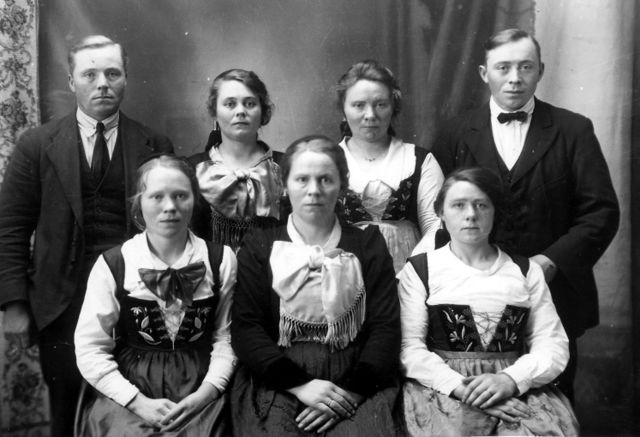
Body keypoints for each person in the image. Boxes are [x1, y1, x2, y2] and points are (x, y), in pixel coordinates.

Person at [431, 28, 620, 401]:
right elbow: (439, 213)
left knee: (552, 400)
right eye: (503, 68)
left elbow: (601, 212)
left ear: (541, 71)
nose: (515, 78)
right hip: (474, 297)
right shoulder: (455, 132)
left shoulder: (573, 130)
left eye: (525, 67)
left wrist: (551, 262)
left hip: (554, 293)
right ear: (484, 73)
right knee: (473, 402)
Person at [0, 35, 173, 436]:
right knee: (65, 409)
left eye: (112, 73)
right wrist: (16, 306)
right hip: (62, 303)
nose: (102, 84)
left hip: (134, 299)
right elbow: (10, 228)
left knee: (130, 410)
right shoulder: (37, 145)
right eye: (89, 74)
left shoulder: (154, 144)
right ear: (71, 81)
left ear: (126, 78)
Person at [230, 135, 401, 435]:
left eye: (325, 180)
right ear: (284, 185)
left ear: (342, 186)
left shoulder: (368, 245)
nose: (314, 190)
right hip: (279, 378)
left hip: (354, 378)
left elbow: (385, 327)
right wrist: (301, 386)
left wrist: (351, 393)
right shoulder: (259, 245)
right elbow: (246, 328)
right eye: (302, 179)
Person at [398, 167, 579, 436]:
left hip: (515, 390)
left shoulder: (525, 270)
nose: (471, 214)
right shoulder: (421, 269)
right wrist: (464, 389)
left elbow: (552, 343)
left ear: (496, 211)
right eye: (458, 205)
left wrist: (510, 380)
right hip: (444, 390)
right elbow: (409, 349)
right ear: (441, 213)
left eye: (481, 205)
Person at [74, 154, 237, 436]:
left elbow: (227, 338)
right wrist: (136, 402)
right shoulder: (116, 263)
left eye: (180, 195)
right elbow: (90, 347)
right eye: (157, 197)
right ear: (139, 203)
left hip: (203, 383)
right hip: (132, 386)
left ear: (195, 200)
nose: (170, 207)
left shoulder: (220, 259)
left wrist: (207, 393)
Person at [334, 60, 444, 272]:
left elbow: (434, 225)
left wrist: (412, 273)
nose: (370, 115)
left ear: (394, 107)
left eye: (380, 104)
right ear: (343, 109)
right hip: (344, 273)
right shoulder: (327, 161)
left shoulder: (419, 159)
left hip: (408, 272)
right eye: (359, 105)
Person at [189, 68, 283, 250]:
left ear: (262, 111)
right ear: (214, 112)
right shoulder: (192, 169)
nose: (240, 111)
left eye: (250, 103)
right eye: (230, 104)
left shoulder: (285, 167)